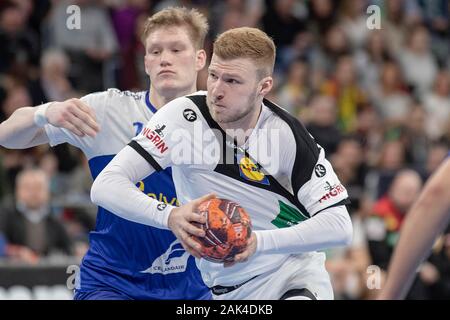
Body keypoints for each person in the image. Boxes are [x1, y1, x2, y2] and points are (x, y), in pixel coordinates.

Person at [91, 27, 353, 300]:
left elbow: (339, 225)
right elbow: (106, 185)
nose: (216, 90)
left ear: (263, 86)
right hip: (222, 291)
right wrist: (169, 216)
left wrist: (258, 242)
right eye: (214, 75)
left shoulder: (287, 135)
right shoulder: (182, 118)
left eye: (232, 81)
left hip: (291, 275)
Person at [0, 7, 210, 300]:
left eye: (177, 49)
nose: (165, 58)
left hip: (192, 285)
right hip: (111, 282)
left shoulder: (223, 125)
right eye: (156, 51)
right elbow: (7, 136)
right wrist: (46, 111)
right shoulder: (108, 110)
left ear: (200, 58)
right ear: (146, 61)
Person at [378, 158, 450, 299]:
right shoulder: (378, 215)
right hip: (376, 270)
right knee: (374, 279)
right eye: (403, 190)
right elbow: (376, 255)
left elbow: (437, 194)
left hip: (420, 273)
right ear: (392, 189)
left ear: (419, 193)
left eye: (411, 191)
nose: (406, 195)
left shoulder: (437, 221)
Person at [0, 168, 73, 262]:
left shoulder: (53, 219)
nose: (33, 192)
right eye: (28, 188)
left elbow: (68, 246)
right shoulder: (6, 214)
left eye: (38, 187)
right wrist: (17, 252)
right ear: (17, 190)